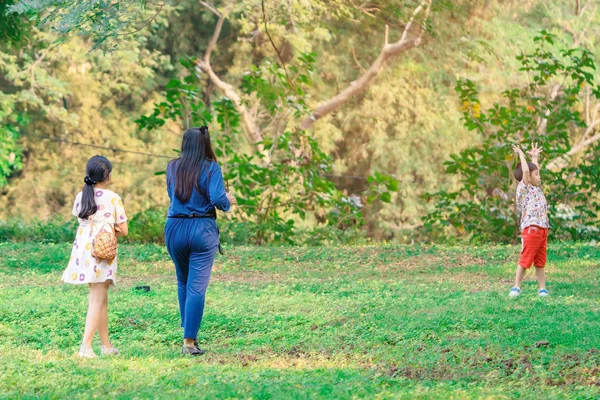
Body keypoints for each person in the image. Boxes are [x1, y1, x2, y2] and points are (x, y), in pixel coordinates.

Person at [165, 126, 236, 355]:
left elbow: (172, 194)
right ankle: (189, 343)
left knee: (183, 282)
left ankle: (188, 332)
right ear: (205, 144)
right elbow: (217, 198)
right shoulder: (211, 167)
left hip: (175, 227)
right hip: (202, 229)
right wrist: (227, 201)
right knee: (196, 286)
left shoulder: (172, 167)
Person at [61, 155, 129, 358]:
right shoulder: (112, 198)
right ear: (107, 176)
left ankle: (106, 345)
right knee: (97, 299)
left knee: (101, 298)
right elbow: (124, 230)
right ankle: (86, 347)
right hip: (101, 252)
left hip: (84, 251)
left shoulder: (81, 196)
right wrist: (110, 227)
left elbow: (81, 218)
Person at [509, 143, 549, 298]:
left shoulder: (535, 187)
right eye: (537, 175)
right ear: (528, 177)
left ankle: (542, 289)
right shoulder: (524, 188)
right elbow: (527, 171)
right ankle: (516, 287)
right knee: (525, 260)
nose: (539, 177)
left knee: (540, 261)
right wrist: (521, 154)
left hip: (542, 229)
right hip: (531, 229)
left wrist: (534, 157)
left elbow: (532, 170)